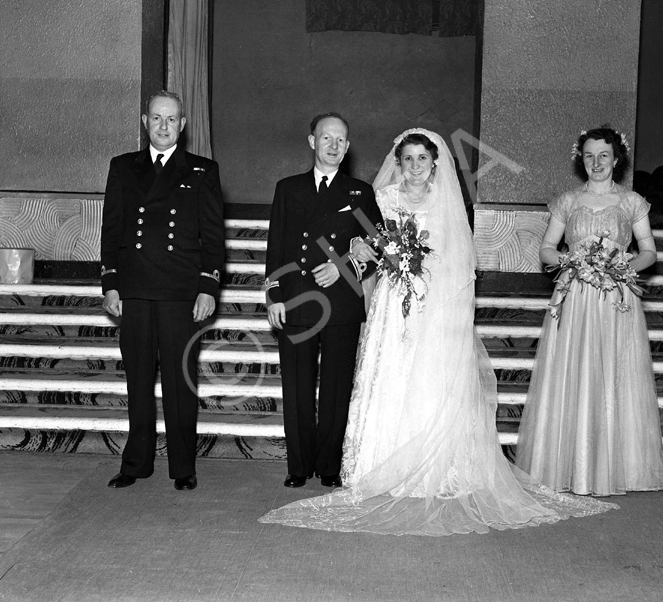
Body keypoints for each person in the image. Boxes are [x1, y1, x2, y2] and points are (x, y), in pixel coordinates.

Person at [259, 128, 616, 536]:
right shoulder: (381, 199)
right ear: (398, 163)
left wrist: (432, 291)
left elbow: (452, 259)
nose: (414, 167)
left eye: (422, 160)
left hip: (432, 304)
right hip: (394, 302)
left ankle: (422, 464)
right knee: (386, 376)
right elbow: (370, 244)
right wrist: (384, 268)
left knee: (425, 378)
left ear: (435, 165)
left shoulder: (439, 202)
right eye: (407, 159)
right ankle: (366, 461)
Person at [515, 125, 663, 497]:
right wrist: (572, 261)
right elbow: (547, 249)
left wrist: (625, 265)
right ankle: (568, 465)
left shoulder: (632, 201)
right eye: (588, 156)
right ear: (580, 160)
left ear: (616, 159)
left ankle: (616, 468)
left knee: (615, 373)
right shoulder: (567, 201)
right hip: (576, 295)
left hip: (617, 297)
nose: (596, 163)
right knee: (574, 370)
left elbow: (649, 250)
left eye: (603, 155)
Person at [100, 90, 225, 491]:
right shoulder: (123, 167)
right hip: (134, 288)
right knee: (137, 380)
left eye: (171, 119)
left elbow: (213, 236)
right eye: (156, 118)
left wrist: (208, 286)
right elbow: (113, 229)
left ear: (183, 125)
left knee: (179, 381)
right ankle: (135, 464)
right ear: (144, 121)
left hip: (180, 290)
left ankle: (183, 467)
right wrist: (110, 282)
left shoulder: (203, 171)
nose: (164, 126)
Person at [264, 112, 382, 489]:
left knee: (335, 387)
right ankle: (298, 465)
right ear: (312, 141)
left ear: (348, 147)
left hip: (341, 302)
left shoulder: (360, 193)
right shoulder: (288, 188)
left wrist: (343, 268)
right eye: (326, 138)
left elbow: (378, 248)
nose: (334, 145)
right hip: (296, 299)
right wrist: (274, 297)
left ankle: (329, 464)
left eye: (341, 140)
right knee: (297, 386)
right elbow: (277, 247)